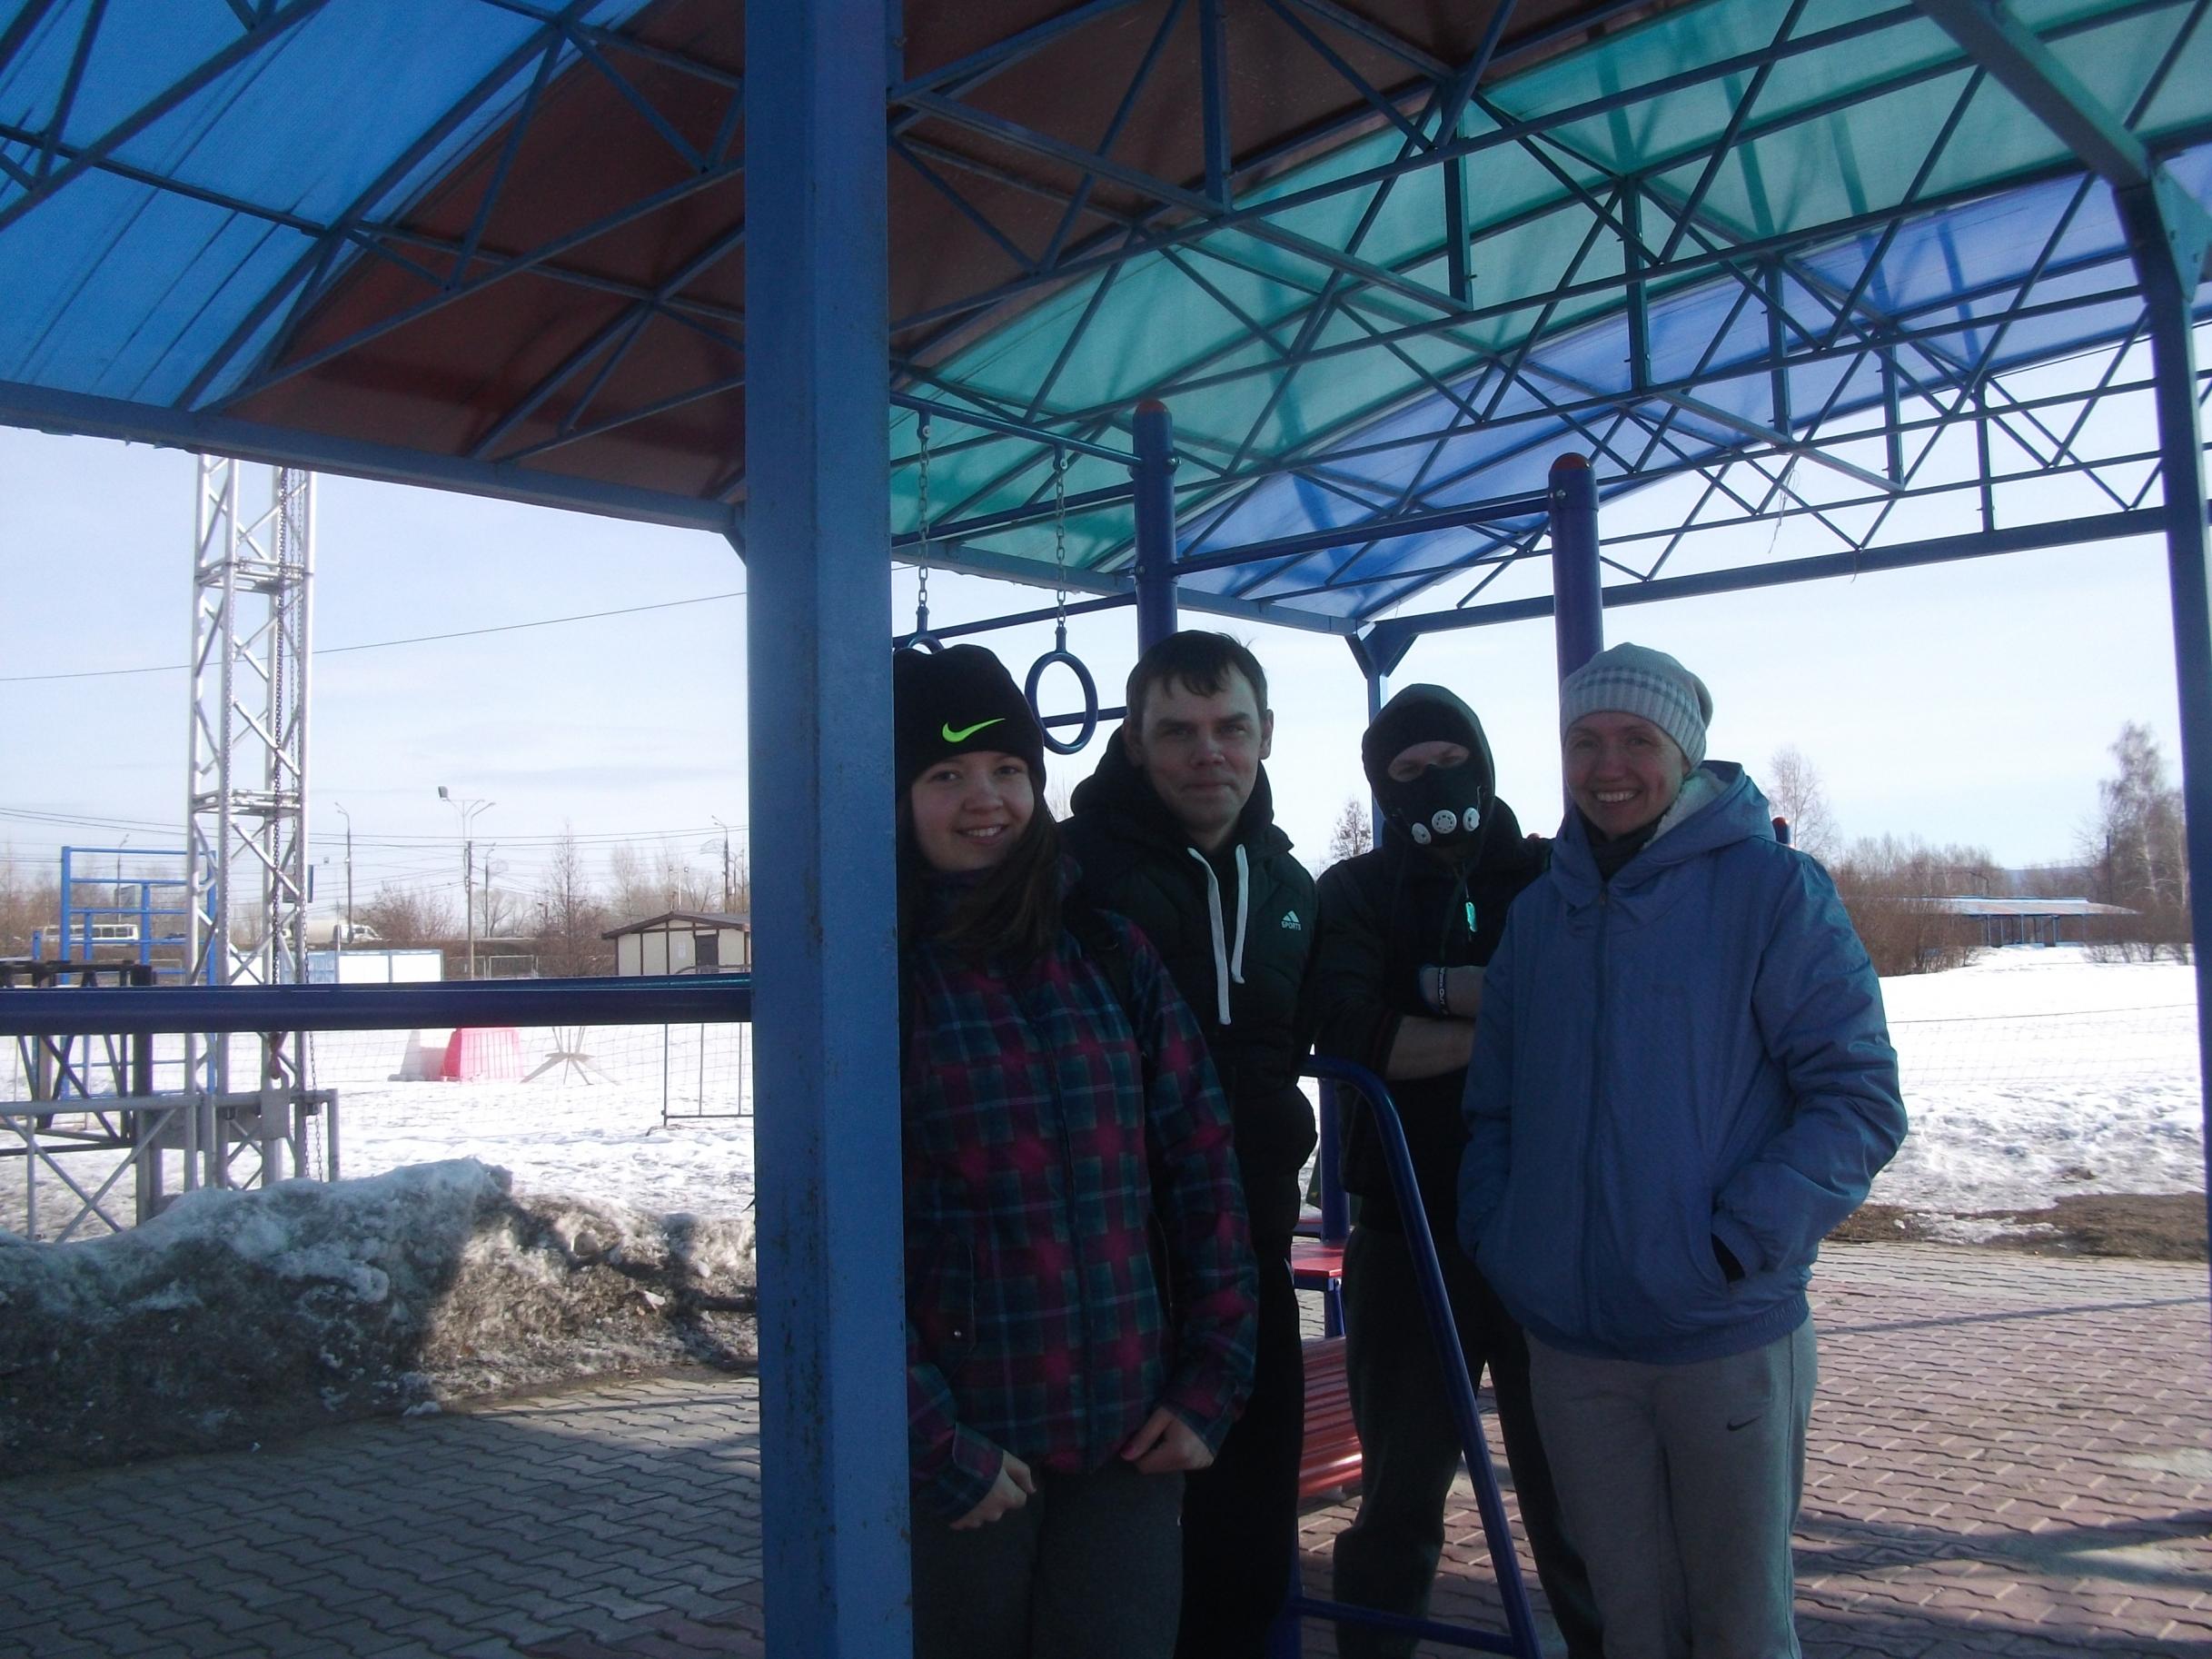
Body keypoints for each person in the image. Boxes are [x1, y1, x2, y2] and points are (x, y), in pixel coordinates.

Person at [1459, 642, 1907, 1659]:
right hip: (1573, 1346)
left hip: (1721, 1336)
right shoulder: (1541, 914)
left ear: (1685, 753)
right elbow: (1495, 1110)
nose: (1607, 765)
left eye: (1636, 739)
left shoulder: (1772, 893)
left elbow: (1857, 1098)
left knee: (1740, 1626)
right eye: (1583, 741)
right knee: (1629, 1626)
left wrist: (1734, 1243)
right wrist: (1508, 1238)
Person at [895, 644, 1260, 1659]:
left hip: (1126, 1437)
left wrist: (1211, 1381)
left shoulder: (1104, 950)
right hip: (970, 1451)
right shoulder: (877, 978)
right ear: (896, 797)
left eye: (1008, 769)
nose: (985, 798)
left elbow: (1202, 1170)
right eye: (946, 773)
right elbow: (831, 1241)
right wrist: (927, 1437)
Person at [1313, 685, 1602, 1659]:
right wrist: (1512, 1021)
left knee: (1573, 1497)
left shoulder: (1552, 874)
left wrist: (1430, 997)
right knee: (1399, 1493)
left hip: (1543, 1225)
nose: (1432, 784)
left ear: (1481, 760)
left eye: (1448, 760)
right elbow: (1352, 1032)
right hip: (1405, 1232)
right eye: (1405, 771)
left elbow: (1595, 998)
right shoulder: (1353, 893)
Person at [1062, 630, 1317, 1659]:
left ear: (1265, 735)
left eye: (1229, 728)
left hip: (1252, 1251)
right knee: (1113, 1567)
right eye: (1176, 731)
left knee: (1247, 1548)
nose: (1208, 752)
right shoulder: (1073, 878)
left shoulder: (1289, 886)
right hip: (1114, 1268)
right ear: (1134, 741)